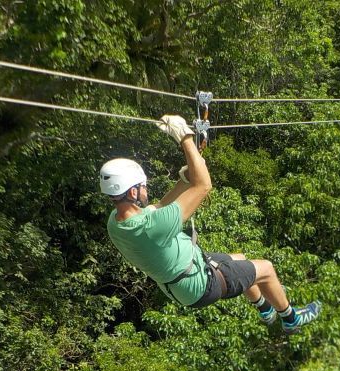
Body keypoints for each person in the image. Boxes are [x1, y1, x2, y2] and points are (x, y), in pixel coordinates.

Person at [100, 114, 321, 334]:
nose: (146, 190)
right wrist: (185, 137)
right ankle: (290, 318)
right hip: (201, 284)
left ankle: (264, 308)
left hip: (184, 279)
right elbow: (204, 185)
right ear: (132, 191)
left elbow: (160, 206)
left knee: (240, 259)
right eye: (143, 186)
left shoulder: (117, 221)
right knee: (266, 268)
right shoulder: (152, 227)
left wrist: (183, 181)